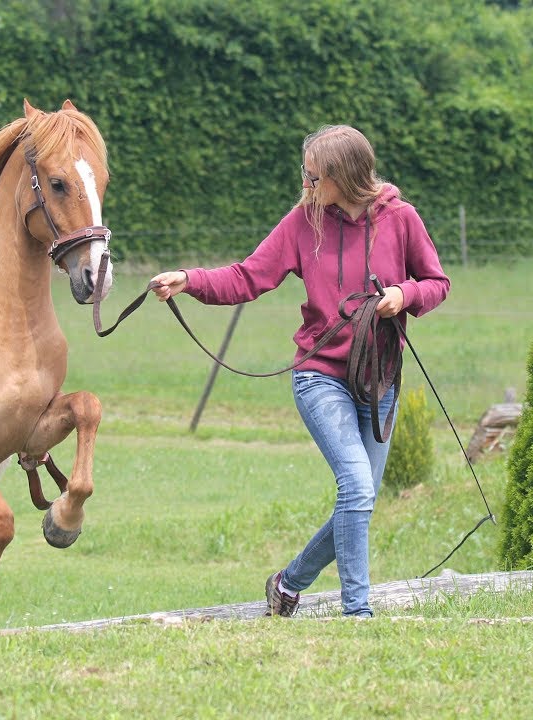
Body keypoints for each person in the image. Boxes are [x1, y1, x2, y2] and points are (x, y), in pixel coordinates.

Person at [150, 125, 450, 619]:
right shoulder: (302, 222)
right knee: (356, 488)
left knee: (360, 501)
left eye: (313, 177)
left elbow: (438, 282)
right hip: (321, 375)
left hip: (379, 380)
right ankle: (358, 614)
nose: (305, 185)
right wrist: (189, 280)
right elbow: (247, 276)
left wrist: (405, 295)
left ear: (344, 176)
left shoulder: (401, 219)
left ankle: (288, 584)